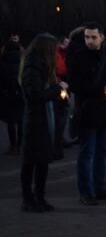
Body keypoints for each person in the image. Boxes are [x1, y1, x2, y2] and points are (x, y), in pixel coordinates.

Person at [68, 23, 106, 205]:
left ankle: (100, 187)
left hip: (105, 111)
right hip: (87, 110)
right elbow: (75, 84)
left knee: (102, 152)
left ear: (101, 37)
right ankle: (86, 191)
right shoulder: (78, 57)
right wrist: (101, 89)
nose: (90, 41)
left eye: (93, 37)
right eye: (87, 37)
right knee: (87, 152)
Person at [19, 34, 68, 212]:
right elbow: (35, 95)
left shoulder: (42, 66)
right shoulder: (33, 66)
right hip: (35, 120)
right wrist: (57, 89)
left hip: (43, 118)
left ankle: (39, 196)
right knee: (31, 161)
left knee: (42, 161)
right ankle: (28, 199)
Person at [0, 40, 23, 155]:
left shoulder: (2, 61)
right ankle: (20, 144)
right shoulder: (22, 60)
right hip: (21, 94)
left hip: (7, 94)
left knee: (10, 122)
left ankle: (12, 145)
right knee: (21, 121)